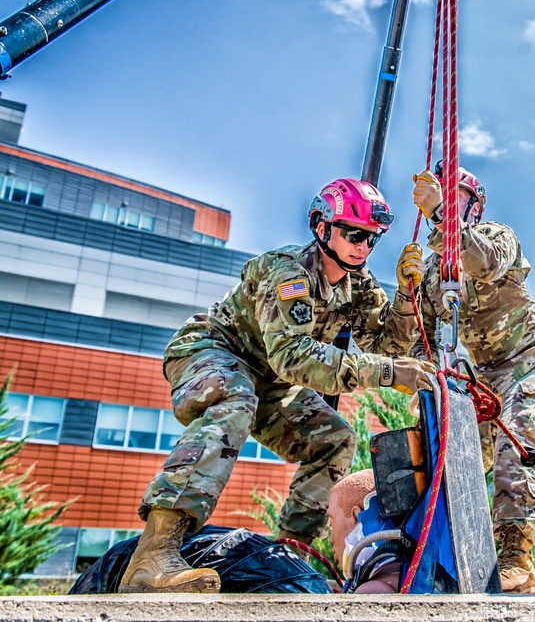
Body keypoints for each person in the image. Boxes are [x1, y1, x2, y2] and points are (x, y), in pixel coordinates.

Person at [120, 178, 433, 593]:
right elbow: (294, 357)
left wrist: (407, 299)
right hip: (214, 351)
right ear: (323, 227)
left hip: (267, 378)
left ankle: (289, 560)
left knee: (334, 439)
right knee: (235, 400)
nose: (363, 246)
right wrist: (391, 373)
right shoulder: (286, 271)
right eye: (354, 234)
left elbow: (387, 343)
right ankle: (154, 555)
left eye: (371, 239)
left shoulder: (359, 286)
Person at [410, 164, 535, 594]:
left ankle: (516, 556)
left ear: (473, 207)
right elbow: (415, 341)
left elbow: (484, 262)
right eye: (441, 196)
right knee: (447, 457)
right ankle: (432, 551)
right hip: (486, 385)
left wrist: (444, 217)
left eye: (456, 197)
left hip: (533, 365)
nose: (448, 203)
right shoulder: (432, 274)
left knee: (514, 444)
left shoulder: (498, 237)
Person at [327, 469, 402, 594]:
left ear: (356, 516)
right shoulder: (409, 573)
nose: (330, 539)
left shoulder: (372, 590)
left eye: (331, 523)